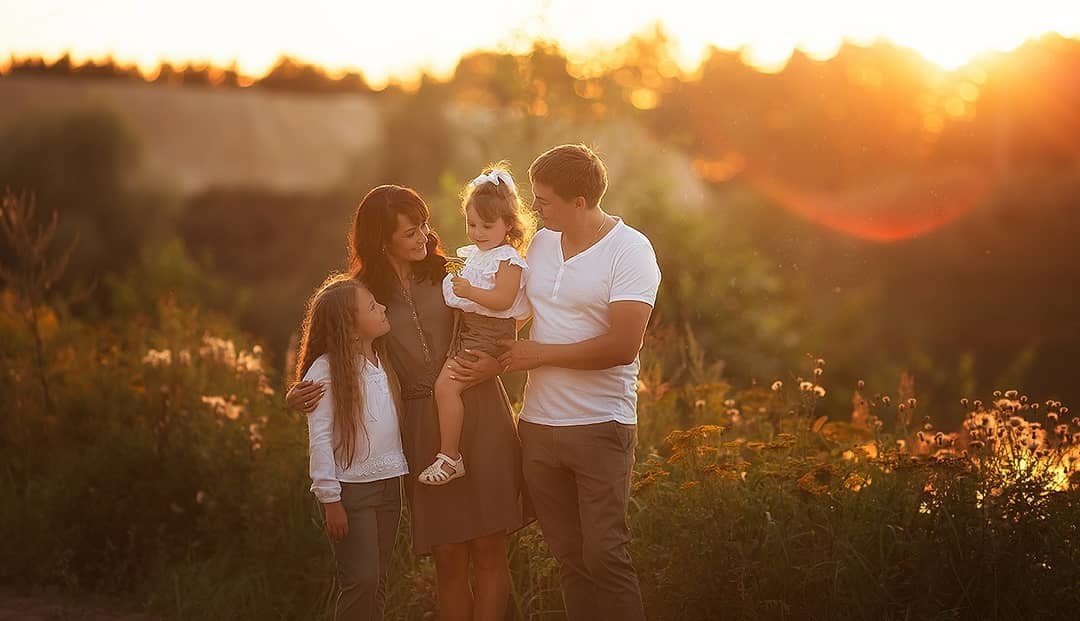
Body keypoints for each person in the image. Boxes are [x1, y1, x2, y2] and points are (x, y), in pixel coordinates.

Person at [287, 185, 530, 621]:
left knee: (491, 547)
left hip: (481, 409)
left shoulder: (452, 271)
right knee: (448, 556)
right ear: (382, 240)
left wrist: (495, 365)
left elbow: (507, 317)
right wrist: (297, 389)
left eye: (424, 225)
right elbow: (329, 344)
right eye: (411, 232)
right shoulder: (362, 294)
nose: (425, 236)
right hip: (419, 424)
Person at [499, 144, 661, 621]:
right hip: (538, 426)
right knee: (569, 558)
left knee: (604, 555)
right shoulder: (542, 243)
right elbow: (515, 313)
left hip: (600, 426)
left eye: (544, 200)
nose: (535, 208)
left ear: (579, 202)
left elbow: (623, 346)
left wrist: (539, 355)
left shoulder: (631, 251)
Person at [296, 275, 407, 621]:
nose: (383, 308)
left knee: (377, 581)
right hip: (351, 492)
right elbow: (319, 437)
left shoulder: (384, 357)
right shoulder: (324, 370)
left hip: (390, 485)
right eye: (372, 307)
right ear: (351, 328)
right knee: (361, 580)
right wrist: (330, 499)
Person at [420, 165, 534, 486]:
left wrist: (469, 291)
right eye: (471, 224)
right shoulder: (476, 255)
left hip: (489, 332)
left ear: (508, 224)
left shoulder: (507, 259)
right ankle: (454, 451)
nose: (478, 232)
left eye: (487, 225)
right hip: (471, 329)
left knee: (446, 387)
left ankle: (450, 457)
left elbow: (503, 299)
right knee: (449, 386)